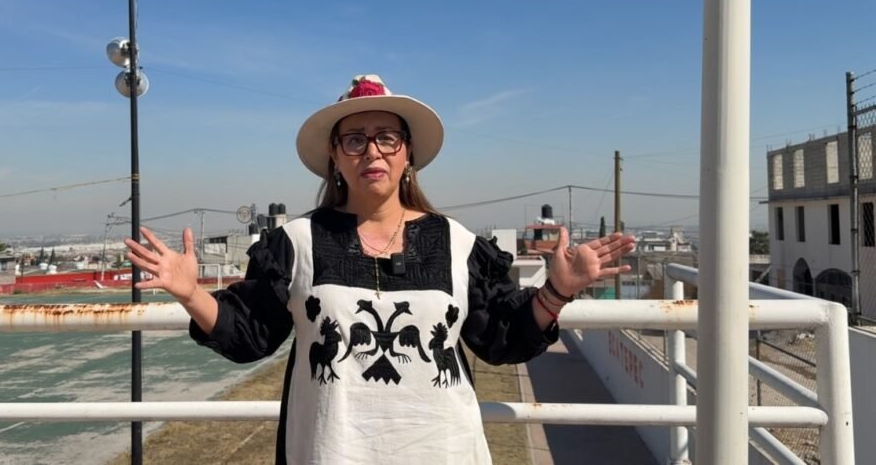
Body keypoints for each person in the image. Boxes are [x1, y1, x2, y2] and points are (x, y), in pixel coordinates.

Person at [125, 74, 636, 464]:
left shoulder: (456, 243)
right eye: (355, 139)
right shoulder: (296, 243)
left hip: (445, 451)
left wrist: (557, 291)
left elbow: (500, 338)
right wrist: (191, 293)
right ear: (335, 156)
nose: (372, 150)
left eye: (387, 137)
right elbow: (250, 335)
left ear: (407, 153)